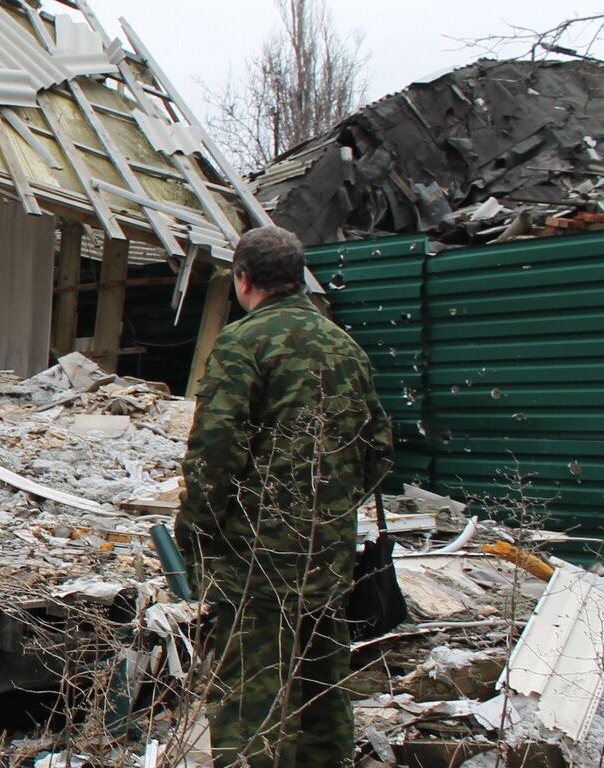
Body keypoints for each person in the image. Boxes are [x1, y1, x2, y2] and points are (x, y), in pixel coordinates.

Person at [177, 227, 394, 767]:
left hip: (257, 557)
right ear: (298, 279)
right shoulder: (345, 346)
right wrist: (330, 508)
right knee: (323, 687)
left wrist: (195, 533)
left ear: (242, 279)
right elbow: (380, 450)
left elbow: (215, 453)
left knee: (251, 693)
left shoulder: (243, 343)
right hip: (328, 552)